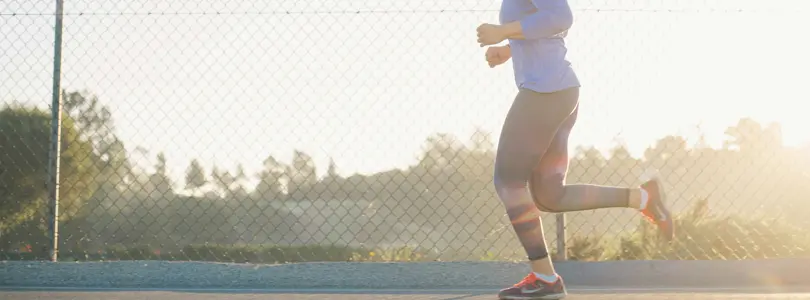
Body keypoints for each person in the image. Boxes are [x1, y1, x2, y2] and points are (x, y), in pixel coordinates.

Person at [476, 0, 674, 299]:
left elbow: (560, 16)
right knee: (549, 195)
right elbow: (545, 29)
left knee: (508, 181)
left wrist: (503, 31)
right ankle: (644, 197)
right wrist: (508, 49)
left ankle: (546, 278)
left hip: (546, 93)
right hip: (557, 92)